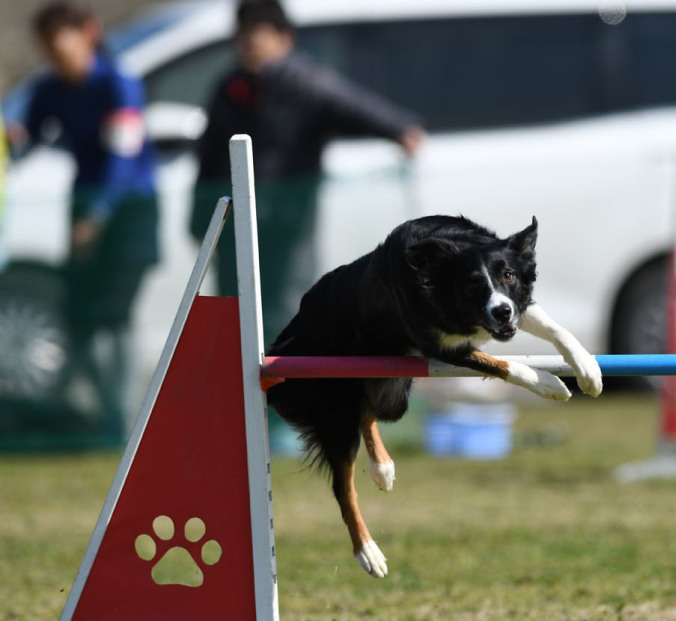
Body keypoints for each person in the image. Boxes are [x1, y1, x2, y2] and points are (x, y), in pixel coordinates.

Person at [191, 0, 425, 346]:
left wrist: (400, 129)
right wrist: (199, 217)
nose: (247, 44)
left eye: (256, 34)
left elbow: (354, 106)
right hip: (237, 227)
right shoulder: (230, 88)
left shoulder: (305, 82)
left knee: (287, 310)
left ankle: (285, 396)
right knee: (235, 312)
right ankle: (242, 397)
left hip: (288, 224)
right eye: (242, 35)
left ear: (284, 38)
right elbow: (208, 155)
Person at [9, 1, 159, 443]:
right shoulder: (49, 90)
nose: (57, 56)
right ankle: (106, 417)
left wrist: (96, 217)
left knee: (115, 316)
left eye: (62, 45)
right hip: (83, 211)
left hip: (128, 213)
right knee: (82, 314)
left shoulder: (119, 83)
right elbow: (30, 140)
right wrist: (13, 139)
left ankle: (127, 419)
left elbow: (122, 157)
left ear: (87, 35)